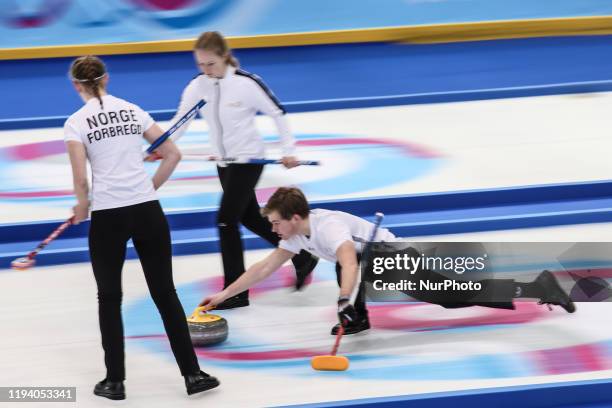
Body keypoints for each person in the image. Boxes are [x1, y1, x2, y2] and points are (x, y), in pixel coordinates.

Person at [199, 187, 576, 336]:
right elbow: (264, 267)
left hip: (390, 257)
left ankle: (538, 284)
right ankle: (359, 318)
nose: (273, 229)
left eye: (276, 223)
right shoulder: (296, 234)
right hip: (366, 260)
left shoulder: (326, 227)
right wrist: (222, 295)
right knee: (354, 275)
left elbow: (348, 261)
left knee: (452, 294)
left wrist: (343, 301)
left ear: (294, 217)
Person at [64, 55, 219, 400]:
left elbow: (80, 179)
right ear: (107, 78)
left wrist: (81, 206)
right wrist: (149, 189)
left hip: (109, 215)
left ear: (76, 85)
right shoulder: (133, 110)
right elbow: (172, 154)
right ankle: (193, 375)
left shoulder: (75, 123)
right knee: (165, 293)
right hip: (147, 210)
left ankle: (115, 382)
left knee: (109, 298)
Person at [164, 31, 317, 309]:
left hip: (248, 160)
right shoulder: (199, 85)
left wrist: (287, 150)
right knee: (248, 218)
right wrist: (161, 145)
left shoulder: (247, 84)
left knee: (226, 221)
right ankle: (302, 254)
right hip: (224, 163)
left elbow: (277, 113)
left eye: (210, 64)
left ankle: (235, 292)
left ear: (224, 57)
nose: (205, 70)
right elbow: (181, 120)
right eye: (200, 65)